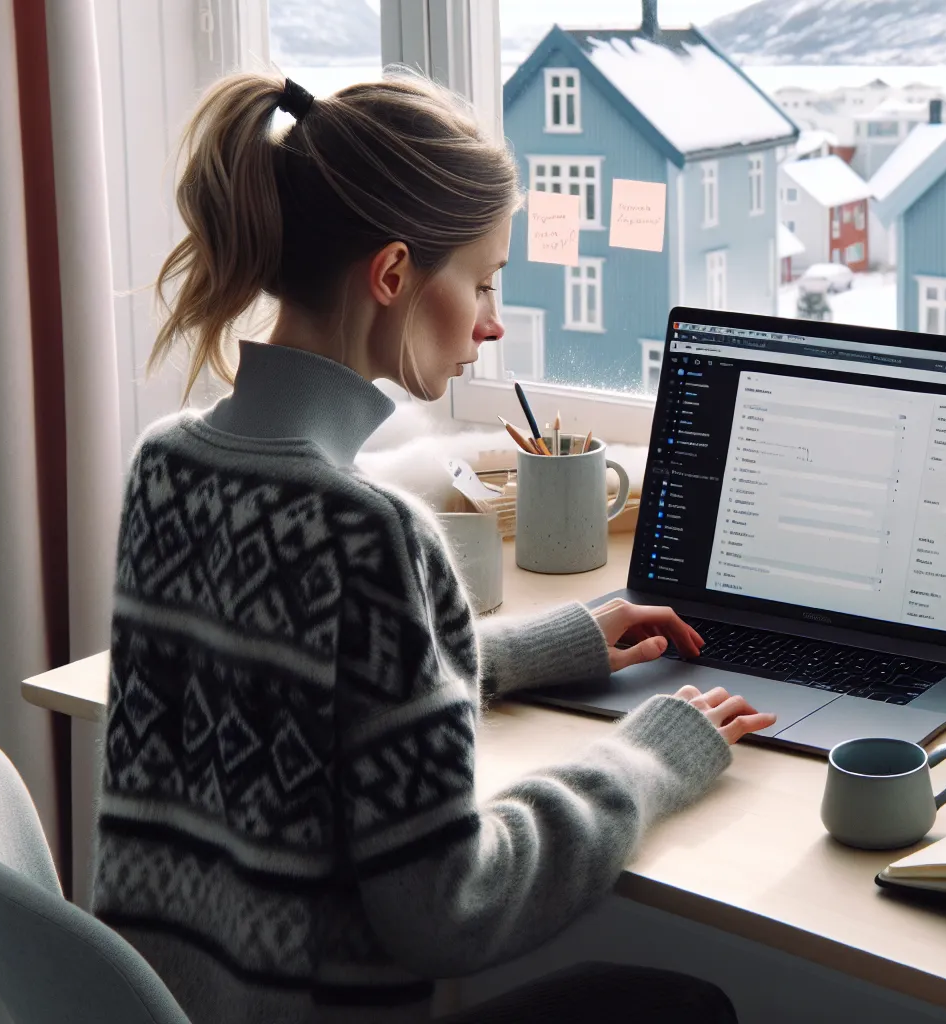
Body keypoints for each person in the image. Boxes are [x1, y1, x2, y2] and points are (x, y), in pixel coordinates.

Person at [92, 70, 777, 1024]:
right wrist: (647, 760)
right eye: (484, 282)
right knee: (681, 1006)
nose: (492, 323)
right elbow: (452, 908)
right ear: (391, 275)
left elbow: (302, 696)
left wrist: (544, 647)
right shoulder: (367, 533)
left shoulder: (167, 464)